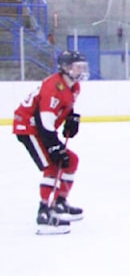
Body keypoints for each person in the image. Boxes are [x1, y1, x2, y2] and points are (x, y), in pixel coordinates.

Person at [12, 50, 88, 234]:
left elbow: (63, 108)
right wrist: (54, 145)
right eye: (77, 67)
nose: (81, 70)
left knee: (71, 160)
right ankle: (44, 213)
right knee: (53, 166)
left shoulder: (74, 86)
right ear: (65, 68)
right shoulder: (53, 87)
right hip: (29, 128)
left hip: (42, 128)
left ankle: (60, 202)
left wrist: (70, 119)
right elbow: (44, 121)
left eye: (82, 67)